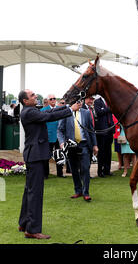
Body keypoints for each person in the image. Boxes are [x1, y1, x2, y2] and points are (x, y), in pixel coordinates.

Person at [18, 89, 79, 240]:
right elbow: (49, 116)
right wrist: (70, 109)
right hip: (35, 156)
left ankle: (24, 222)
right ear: (25, 101)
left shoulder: (30, 110)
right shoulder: (29, 112)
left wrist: (67, 106)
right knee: (35, 193)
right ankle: (32, 230)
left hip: (35, 155)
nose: (35, 96)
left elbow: (52, 111)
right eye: (32, 95)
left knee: (29, 191)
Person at [57, 101, 98, 201]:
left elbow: (91, 130)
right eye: (77, 101)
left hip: (84, 144)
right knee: (74, 170)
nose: (79, 103)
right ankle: (78, 191)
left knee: (85, 168)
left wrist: (95, 145)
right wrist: (62, 142)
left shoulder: (86, 113)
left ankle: (86, 192)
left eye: (80, 101)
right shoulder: (66, 113)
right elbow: (60, 130)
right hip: (71, 146)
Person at [40, 94, 64, 178]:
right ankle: (45, 174)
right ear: (48, 100)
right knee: (46, 155)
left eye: (54, 98)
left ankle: (60, 173)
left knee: (60, 155)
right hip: (48, 136)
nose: (53, 100)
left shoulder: (59, 109)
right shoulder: (43, 110)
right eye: (51, 99)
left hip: (59, 136)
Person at [94, 96, 115, 177]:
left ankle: (107, 170)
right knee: (101, 152)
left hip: (110, 130)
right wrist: (108, 109)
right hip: (102, 130)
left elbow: (111, 111)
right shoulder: (97, 101)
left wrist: (105, 109)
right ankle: (100, 171)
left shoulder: (109, 100)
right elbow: (99, 112)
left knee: (108, 151)